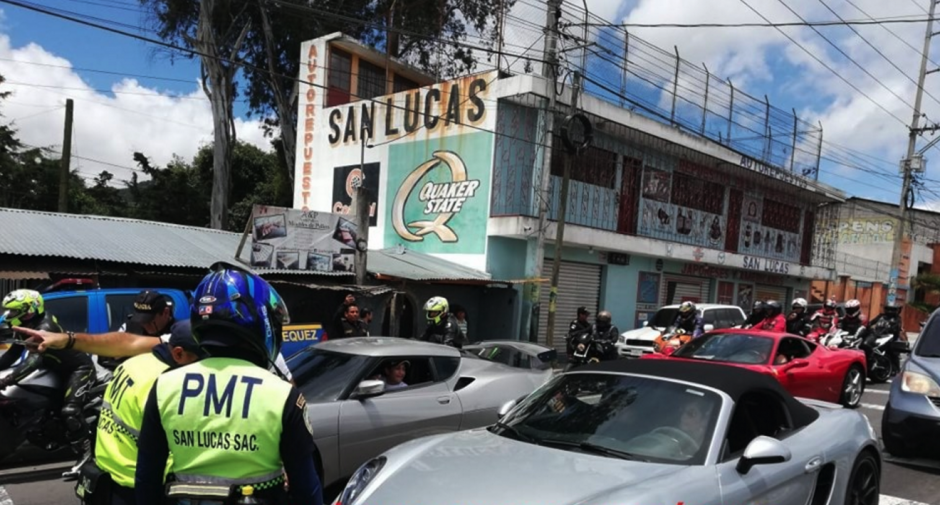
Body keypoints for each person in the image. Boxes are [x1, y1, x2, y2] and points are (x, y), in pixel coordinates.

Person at [134, 262, 322, 505]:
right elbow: (307, 490)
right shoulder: (282, 395)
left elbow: (147, 480)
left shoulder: (165, 387)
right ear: (260, 322)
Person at [83, 319, 206, 505]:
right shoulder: (166, 384)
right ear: (179, 353)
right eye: (201, 359)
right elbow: (176, 448)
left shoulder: (136, 362)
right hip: (136, 484)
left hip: (107, 471)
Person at [0, 289, 97, 480]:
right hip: (54, 370)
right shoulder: (27, 325)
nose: (8, 315)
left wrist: (6, 380)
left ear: (28, 311)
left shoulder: (44, 328)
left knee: (69, 412)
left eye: (12, 311)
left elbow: (33, 361)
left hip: (77, 370)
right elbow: (12, 354)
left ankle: (88, 456)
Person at [100, 291, 176, 370]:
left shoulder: (177, 332)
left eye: (149, 320)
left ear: (165, 313)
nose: (144, 324)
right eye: (141, 320)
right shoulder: (130, 326)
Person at [859, 302, 904, 372]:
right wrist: (866, 325)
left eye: (892, 310)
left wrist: (892, 329)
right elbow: (871, 322)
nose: (889, 311)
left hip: (890, 338)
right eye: (888, 309)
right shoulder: (881, 316)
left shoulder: (897, 319)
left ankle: (896, 369)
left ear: (896, 310)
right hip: (877, 335)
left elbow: (897, 328)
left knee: (893, 352)